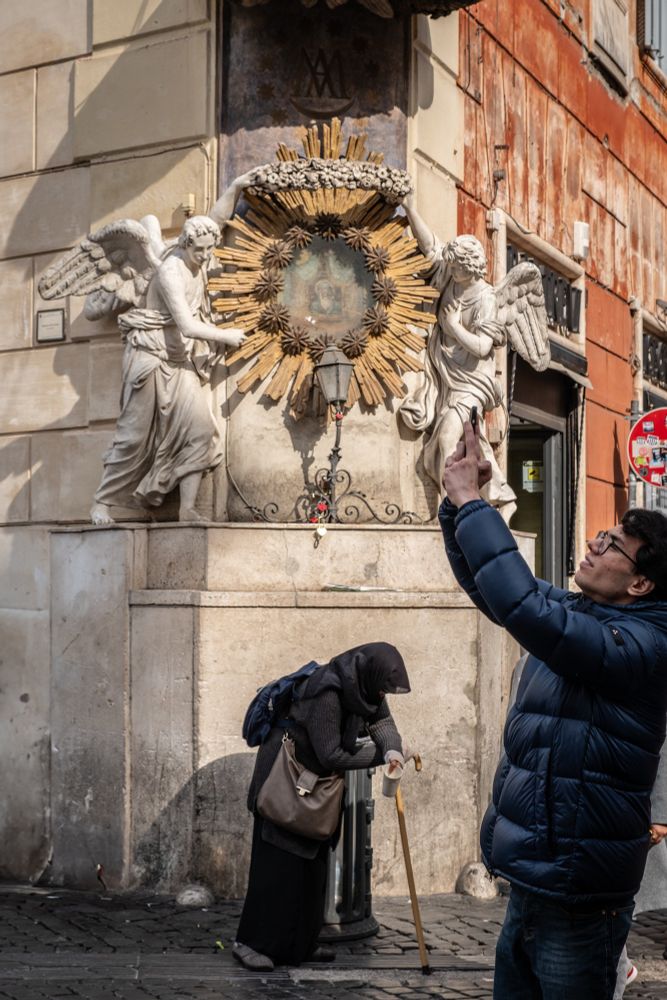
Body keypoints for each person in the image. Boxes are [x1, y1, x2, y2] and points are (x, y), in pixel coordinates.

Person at [440, 420, 667, 1000]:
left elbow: (521, 602)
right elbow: (497, 592)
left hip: (580, 896)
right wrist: (460, 504)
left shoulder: (642, 646)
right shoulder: (581, 615)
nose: (595, 542)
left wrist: (474, 507)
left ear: (640, 584)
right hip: (534, 879)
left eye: (613, 545)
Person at [233, 642, 410, 971]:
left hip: (315, 786)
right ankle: (252, 944)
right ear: (368, 675)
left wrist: (393, 751)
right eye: (383, 689)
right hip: (285, 779)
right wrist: (377, 755)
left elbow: (383, 724)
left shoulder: (366, 689)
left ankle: (300, 945)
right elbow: (331, 754)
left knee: (311, 870)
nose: (384, 696)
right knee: (277, 869)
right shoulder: (326, 691)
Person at [399, 196, 518, 517]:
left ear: (468, 268)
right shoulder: (451, 274)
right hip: (447, 375)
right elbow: (431, 248)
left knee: (450, 437)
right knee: (466, 441)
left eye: (453, 267)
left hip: (473, 381)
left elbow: (482, 347)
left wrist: (451, 326)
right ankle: (500, 498)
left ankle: (453, 510)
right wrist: (410, 207)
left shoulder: (486, 299)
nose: (446, 269)